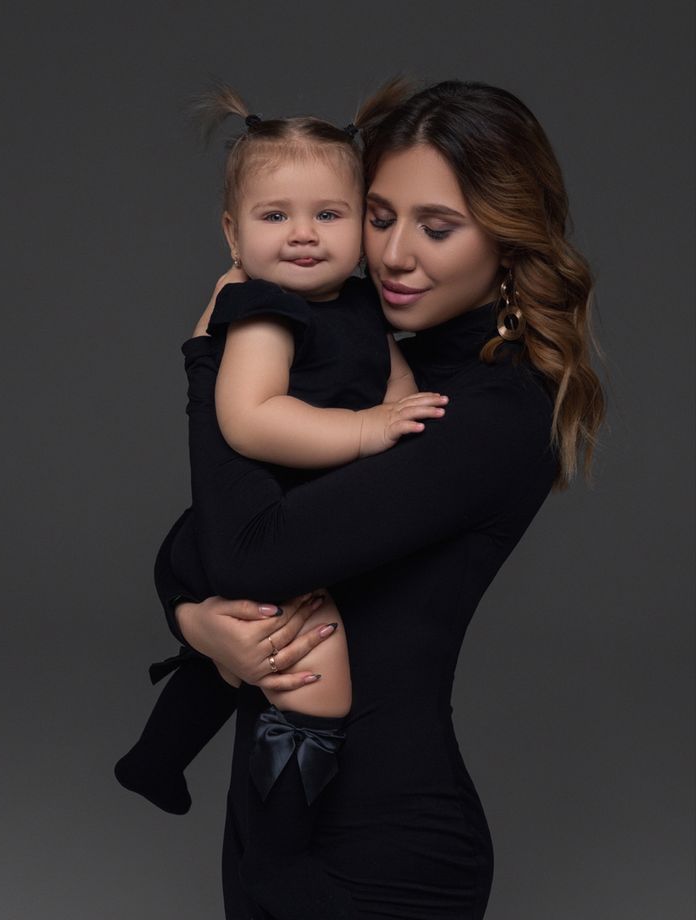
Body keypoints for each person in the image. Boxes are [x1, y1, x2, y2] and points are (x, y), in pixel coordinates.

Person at [144, 80, 605, 919]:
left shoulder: (490, 415)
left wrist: (210, 358)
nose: (394, 255)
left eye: (437, 227)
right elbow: (198, 540)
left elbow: (251, 551)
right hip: (270, 825)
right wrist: (194, 623)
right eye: (381, 216)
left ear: (509, 239)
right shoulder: (380, 374)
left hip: (388, 857)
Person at [115, 83, 448, 920]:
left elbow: (388, 380)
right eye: (274, 218)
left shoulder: (362, 305)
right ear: (233, 234)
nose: (303, 235)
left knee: (228, 657)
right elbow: (251, 419)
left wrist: (403, 408)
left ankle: (154, 759)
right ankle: (284, 842)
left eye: (330, 216)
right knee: (305, 666)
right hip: (246, 517)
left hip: (292, 520)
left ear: (363, 232)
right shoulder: (261, 313)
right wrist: (369, 432)